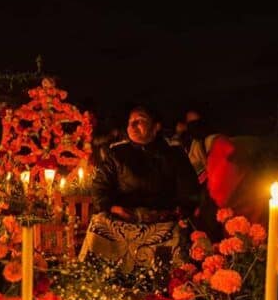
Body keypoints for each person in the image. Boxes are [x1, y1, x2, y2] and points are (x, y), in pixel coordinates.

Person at [79, 106, 200, 272]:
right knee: (98, 224)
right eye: (130, 122)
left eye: (140, 121)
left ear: (156, 127)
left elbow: (189, 190)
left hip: (162, 221)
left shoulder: (174, 154)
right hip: (122, 219)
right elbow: (100, 188)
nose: (132, 125)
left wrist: (176, 211)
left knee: (179, 232)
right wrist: (114, 208)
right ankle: (98, 280)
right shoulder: (117, 154)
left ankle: (164, 284)